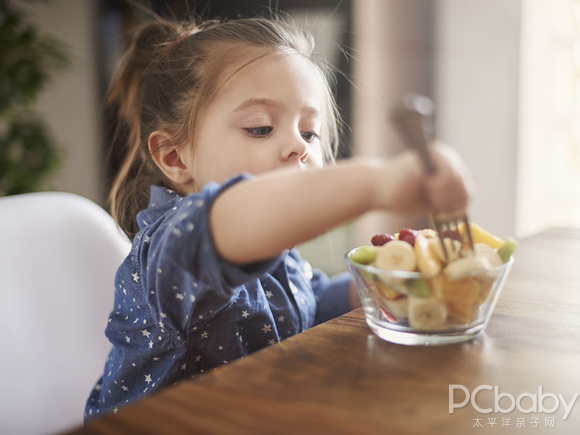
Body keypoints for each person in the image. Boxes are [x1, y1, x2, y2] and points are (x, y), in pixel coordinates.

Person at [85, 15, 471, 421]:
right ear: (174, 157)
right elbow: (239, 214)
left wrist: (379, 286)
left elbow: (304, 306)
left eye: (309, 132)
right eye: (260, 128)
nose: (297, 147)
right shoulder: (173, 249)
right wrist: (380, 182)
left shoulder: (273, 247)